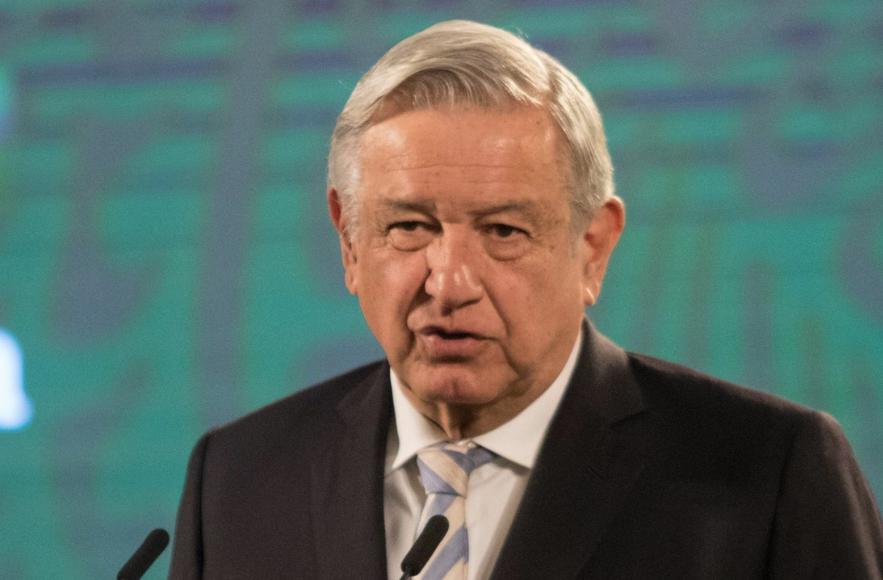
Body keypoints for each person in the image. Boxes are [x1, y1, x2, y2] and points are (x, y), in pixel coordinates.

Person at [169, 20, 883, 579]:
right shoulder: (238, 479)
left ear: (592, 246)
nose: (448, 282)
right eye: (409, 228)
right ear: (350, 242)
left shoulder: (770, 473)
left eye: (503, 231)